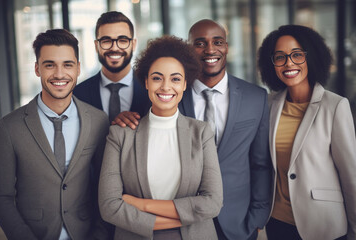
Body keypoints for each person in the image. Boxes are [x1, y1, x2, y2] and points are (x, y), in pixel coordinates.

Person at [114, 19, 272, 240]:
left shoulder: (256, 97)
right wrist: (124, 117)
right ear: (188, 49)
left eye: (218, 42)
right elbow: (144, 127)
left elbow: (261, 164)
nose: (210, 49)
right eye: (199, 43)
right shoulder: (168, 95)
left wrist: (257, 218)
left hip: (238, 222)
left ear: (226, 46)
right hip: (182, 221)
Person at [98, 35, 223, 240]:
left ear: (184, 84)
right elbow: (109, 206)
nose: (166, 87)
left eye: (175, 79)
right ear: (146, 82)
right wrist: (179, 218)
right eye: (157, 78)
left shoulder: (201, 133)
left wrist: (143, 205)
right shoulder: (120, 135)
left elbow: (213, 203)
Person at [0, 29, 110, 240]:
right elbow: (1, 197)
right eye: (50, 65)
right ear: (37, 69)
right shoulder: (8, 127)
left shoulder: (98, 121)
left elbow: (106, 189)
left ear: (77, 68)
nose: (59, 74)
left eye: (67, 64)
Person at [258, 24, 356, 240]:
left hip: (323, 224)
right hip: (277, 223)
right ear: (271, 63)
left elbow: (351, 176)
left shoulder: (335, 106)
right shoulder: (267, 104)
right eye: (280, 57)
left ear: (311, 57)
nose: (289, 63)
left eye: (296, 55)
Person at [73, 11, 150, 123]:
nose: (114, 48)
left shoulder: (149, 90)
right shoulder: (78, 94)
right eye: (106, 41)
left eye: (122, 41)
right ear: (96, 46)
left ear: (133, 44)